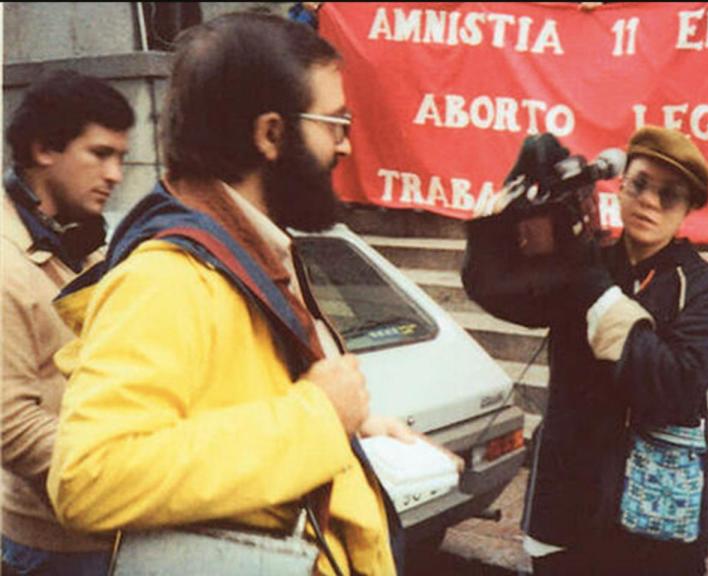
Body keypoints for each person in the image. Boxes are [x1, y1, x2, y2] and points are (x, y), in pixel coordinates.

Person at [45, 13, 414, 576]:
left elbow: (241, 412)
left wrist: (356, 432)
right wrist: (318, 415)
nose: (345, 143)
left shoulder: (251, 251)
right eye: (334, 122)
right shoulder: (166, 278)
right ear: (270, 134)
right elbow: (91, 476)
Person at [471, 127, 708, 575]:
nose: (649, 202)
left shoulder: (706, 287)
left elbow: (676, 382)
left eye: (669, 195)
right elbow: (496, 292)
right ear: (621, 184)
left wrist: (594, 286)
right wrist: (513, 207)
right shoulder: (582, 257)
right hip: (568, 504)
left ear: (689, 209)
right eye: (640, 185)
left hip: (655, 521)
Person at [2, 70, 134, 576]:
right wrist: (130, 474)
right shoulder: (5, 264)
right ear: (43, 150)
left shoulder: (84, 243)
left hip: (110, 524)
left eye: (121, 157)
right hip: (56, 544)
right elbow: (9, 425)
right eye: (100, 154)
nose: (115, 173)